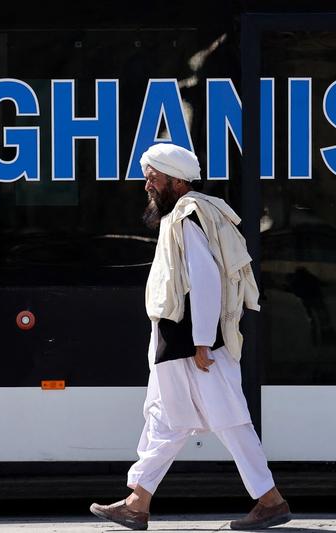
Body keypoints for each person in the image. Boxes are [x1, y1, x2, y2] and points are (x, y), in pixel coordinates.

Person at [90, 143, 291, 531]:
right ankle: (137, 502)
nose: (147, 185)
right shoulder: (184, 214)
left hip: (191, 341)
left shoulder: (188, 216)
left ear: (177, 181)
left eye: (154, 177)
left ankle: (270, 500)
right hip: (180, 338)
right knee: (166, 419)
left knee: (228, 419)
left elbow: (205, 280)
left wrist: (202, 341)